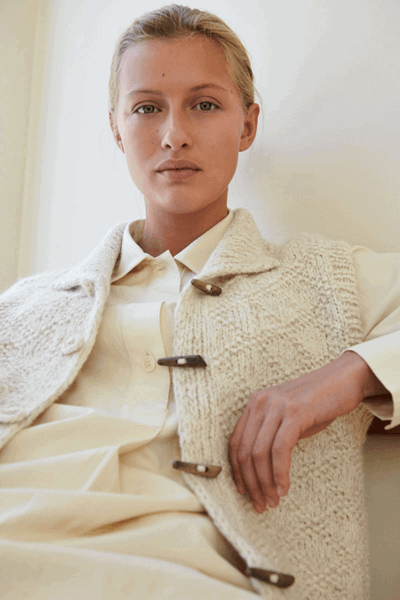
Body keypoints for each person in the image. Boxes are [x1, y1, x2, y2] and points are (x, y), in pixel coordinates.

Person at [1, 4, 399, 599]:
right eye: (146, 108)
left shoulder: (326, 280)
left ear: (248, 125)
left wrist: (344, 378)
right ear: (116, 129)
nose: (174, 135)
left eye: (205, 104)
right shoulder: (25, 305)